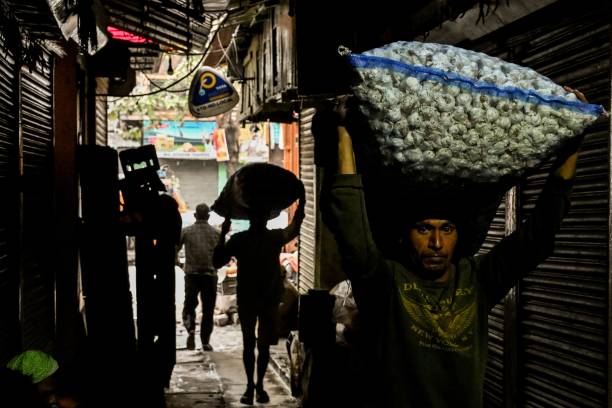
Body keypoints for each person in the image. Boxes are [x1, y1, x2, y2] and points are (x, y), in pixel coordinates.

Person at [322, 89, 587, 407]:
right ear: (407, 236)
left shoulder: (478, 281)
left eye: (446, 230)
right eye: (424, 230)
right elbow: (350, 222)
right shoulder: (385, 282)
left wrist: (573, 142)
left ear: (459, 234)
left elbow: (539, 236)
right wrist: (344, 130)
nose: (436, 243)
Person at [213, 196, 305, 405]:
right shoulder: (273, 238)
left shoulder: (239, 239)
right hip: (268, 298)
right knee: (263, 345)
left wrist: (223, 234)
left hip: (248, 298)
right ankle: (259, 387)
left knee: (248, 343)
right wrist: (303, 205)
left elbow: (217, 261)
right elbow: (295, 228)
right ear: (265, 219)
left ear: (250, 219)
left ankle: (249, 388)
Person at [177, 203, 220, 351]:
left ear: (195, 216)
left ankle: (191, 329)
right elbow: (222, 256)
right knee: (208, 310)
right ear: (208, 216)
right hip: (210, 276)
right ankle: (205, 342)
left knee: (190, 305)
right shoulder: (216, 233)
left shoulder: (186, 231)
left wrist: (179, 264)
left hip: (192, 276)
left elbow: (174, 249)